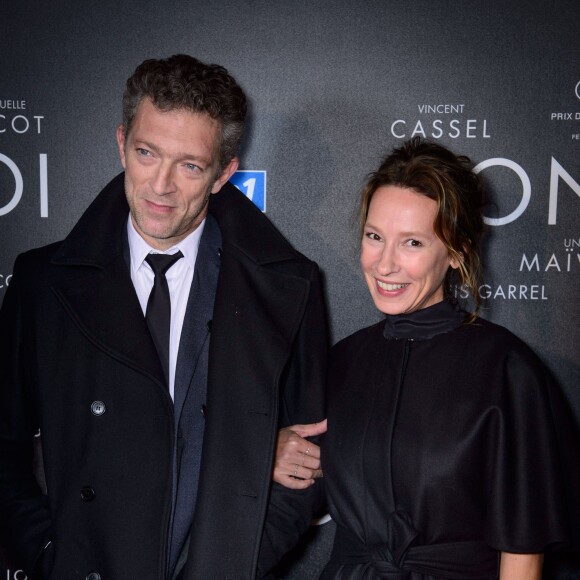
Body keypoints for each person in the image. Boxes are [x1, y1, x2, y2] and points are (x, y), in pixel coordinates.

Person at [0, 54, 327, 580]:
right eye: (147, 153)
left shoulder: (289, 287)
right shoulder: (42, 283)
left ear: (223, 174)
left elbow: (308, 457)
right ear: (121, 142)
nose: (161, 186)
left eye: (190, 165)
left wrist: (239, 560)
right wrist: (48, 555)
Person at [260, 137, 571, 579]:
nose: (384, 264)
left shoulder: (505, 368)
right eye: (374, 237)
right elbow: (295, 496)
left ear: (457, 253)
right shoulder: (342, 363)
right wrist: (264, 452)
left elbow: (522, 550)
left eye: (412, 243)